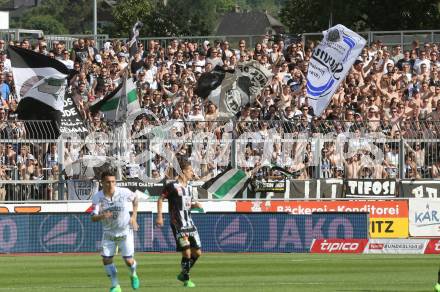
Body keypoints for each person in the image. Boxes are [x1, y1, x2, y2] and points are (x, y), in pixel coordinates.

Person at [156, 159, 203, 288]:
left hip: (190, 223)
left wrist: (195, 205)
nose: (192, 173)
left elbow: (186, 205)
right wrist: (160, 216)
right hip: (178, 224)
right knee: (187, 253)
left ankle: (183, 273)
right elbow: (160, 199)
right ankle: (186, 280)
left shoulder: (190, 187)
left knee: (197, 253)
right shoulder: (172, 186)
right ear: (183, 172)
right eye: (190, 171)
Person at [91, 170, 140, 292]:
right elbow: (93, 217)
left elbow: (135, 199)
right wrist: (102, 216)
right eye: (108, 182)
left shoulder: (123, 192)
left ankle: (133, 274)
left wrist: (134, 217)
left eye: (113, 181)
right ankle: (115, 285)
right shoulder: (97, 197)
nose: (111, 184)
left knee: (128, 261)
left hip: (125, 231)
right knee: (106, 259)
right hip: (109, 233)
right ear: (102, 183)